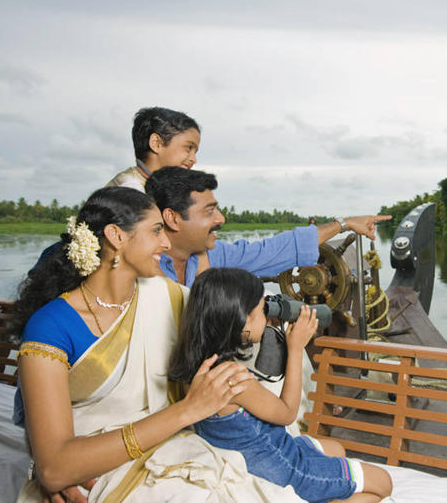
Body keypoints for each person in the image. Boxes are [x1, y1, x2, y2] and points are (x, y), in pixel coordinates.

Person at [13, 187, 303, 503]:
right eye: (155, 231)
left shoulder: (167, 297)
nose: (166, 243)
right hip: (99, 468)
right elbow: (55, 468)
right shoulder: (50, 326)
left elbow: (233, 328)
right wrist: (187, 411)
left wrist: (273, 323)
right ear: (116, 237)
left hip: (172, 446)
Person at [168, 268, 393, 503]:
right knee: (383, 482)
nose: (265, 317)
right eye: (260, 311)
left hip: (261, 453)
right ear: (243, 321)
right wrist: (296, 348)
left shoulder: (197, 369)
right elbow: (286, 413)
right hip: (282, 469)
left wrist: (265, 327)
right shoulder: (233, 378)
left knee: (336, 448)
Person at [144, 166, 391, 286]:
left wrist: (344, 224)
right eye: (210, 211)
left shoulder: (213, 255)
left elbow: (270, 251)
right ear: (173, 218)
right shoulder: (138, 271)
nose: (221, 219)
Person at [106, 107, 201, 191]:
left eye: (195, 152)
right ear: (156, 143)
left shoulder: (156, 188)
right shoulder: (131, 191)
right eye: (188, 148)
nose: (194, 159)